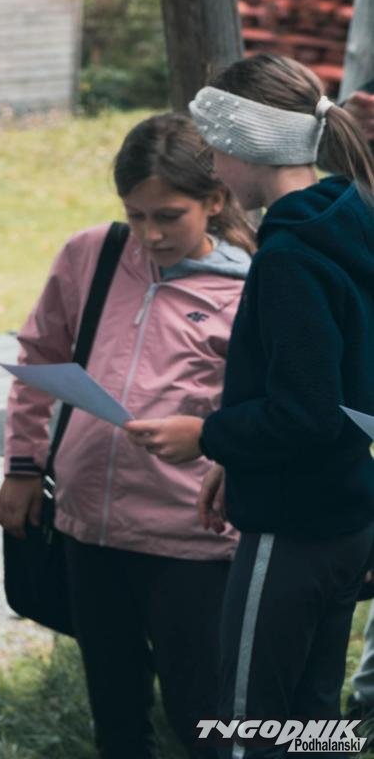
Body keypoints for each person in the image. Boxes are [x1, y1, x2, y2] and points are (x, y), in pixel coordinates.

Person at [125, 55, 374, 757]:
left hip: (291, 528)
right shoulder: (344, 220)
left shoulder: (290, 256)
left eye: (213, 147)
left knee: (250, 727)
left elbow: (306, 411)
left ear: (248, 145)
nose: (209, 165)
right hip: (344, 515)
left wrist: (207, 434)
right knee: (313, 726)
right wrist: (236, 455)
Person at [0, 114, 253, 757]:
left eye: (169, 216)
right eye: (136, 216)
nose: (150, 234)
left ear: (214, 201)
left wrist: (208, 435)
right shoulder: (95, 254)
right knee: (115, 714)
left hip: (192, 540)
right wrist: (23, 467)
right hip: (89, 529)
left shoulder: (250, 289)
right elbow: (39, 357)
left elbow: (263, 413)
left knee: (202, 715)